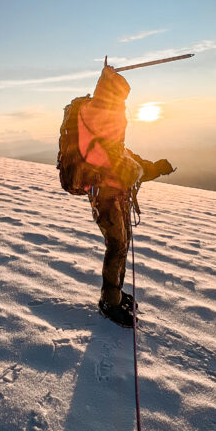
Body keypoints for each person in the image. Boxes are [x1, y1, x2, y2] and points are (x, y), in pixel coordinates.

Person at [78, 64, 174, 327]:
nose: (123, 101)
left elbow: (121, 152)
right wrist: (146, 170)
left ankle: (115, 295)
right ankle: (109, 302)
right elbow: (113, 158)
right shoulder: (100, 114)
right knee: (117, 245)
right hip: (105, 194)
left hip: (113, 193)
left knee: (122, 243)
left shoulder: (103, 113)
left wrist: (151, 167)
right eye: (120, 95)